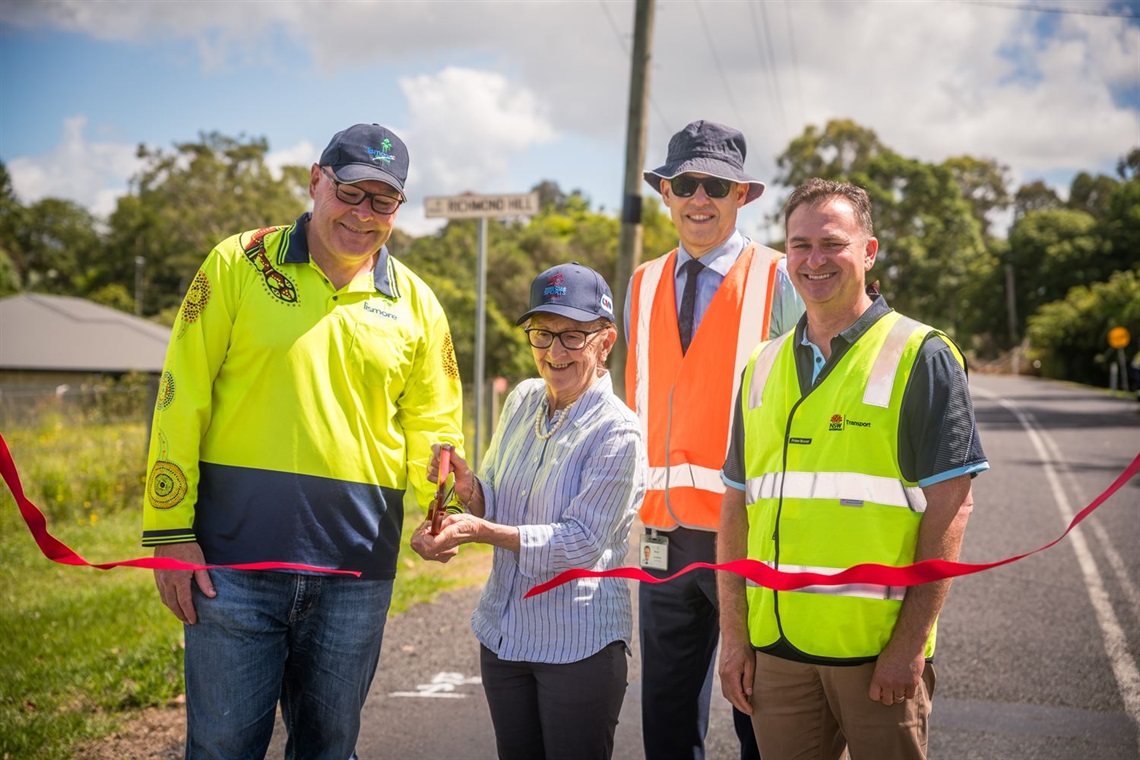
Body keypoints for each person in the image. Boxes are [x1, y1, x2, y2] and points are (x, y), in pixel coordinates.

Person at [141, 123, 464, 759]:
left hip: (356, 572)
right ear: (316, 181)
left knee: (328, 748)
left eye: (383, 201)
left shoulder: (419, 305)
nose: (362, 214)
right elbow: (181, 397)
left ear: (398, 209)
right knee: (222, 749)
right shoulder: (237, 264)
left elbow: (436, 427)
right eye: (350, 192)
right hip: (231, 569)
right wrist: (169, 530)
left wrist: (441, 508)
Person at [717, 178, 989, 760]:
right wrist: (736, 638)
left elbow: (952, 506)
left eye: (832, 243)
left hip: (876, 655)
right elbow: (736, 507)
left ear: (868, 251)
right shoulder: (760, 367)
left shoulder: (924, 355)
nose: (814, 260)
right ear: (785, 253)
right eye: (799, 245)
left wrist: (909, 645)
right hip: (778, 649)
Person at [412, 262, 647, 760]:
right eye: (542, 334)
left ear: (606, 342)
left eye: (573, 337)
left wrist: (482, 530)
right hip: (503, 635)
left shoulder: (618, 430)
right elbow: (496, 495)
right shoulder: (521, 399)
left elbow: (582, 542)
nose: (554, 352)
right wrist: (468, 487)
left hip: (577, 646)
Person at [625, 119, 804, 760]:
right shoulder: (641, 282)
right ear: (666, 194)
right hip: (660, 534)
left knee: (760, 711)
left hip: (748, 530)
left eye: (716, 185)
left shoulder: (781, 278)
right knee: (667, 717)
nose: (699, 198)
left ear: (741, 196)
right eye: (686, 183)